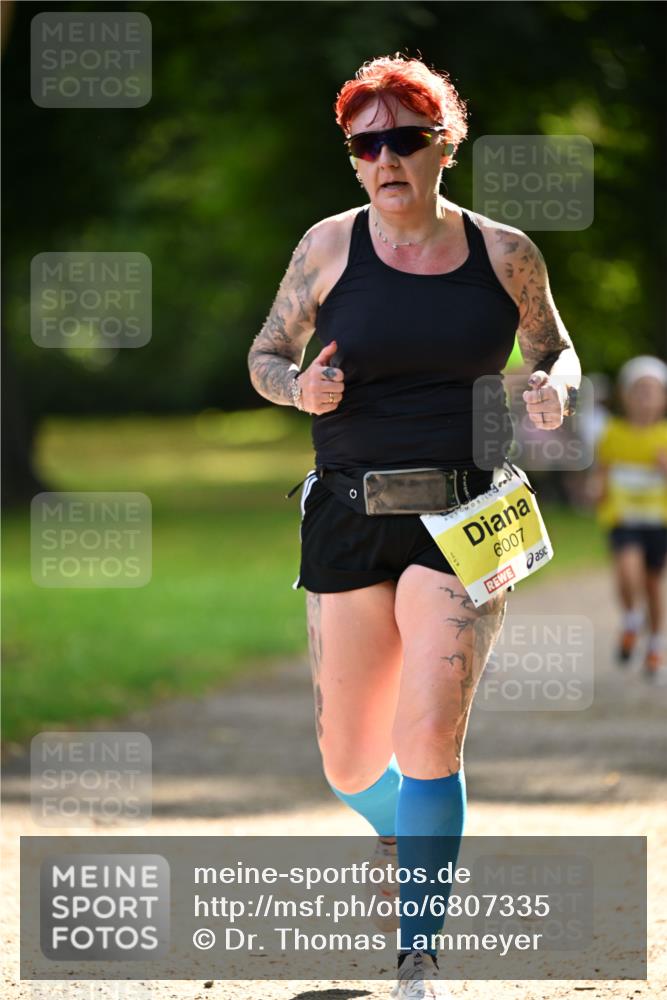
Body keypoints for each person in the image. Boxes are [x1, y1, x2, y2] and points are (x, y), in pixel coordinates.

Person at [248, 53, 581, 999]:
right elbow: (265, 355)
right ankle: (429, 841)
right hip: (349, 512)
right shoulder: (325, 249)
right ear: (352, 157)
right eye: (366, 143)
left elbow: (555, 349)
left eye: (405, 138)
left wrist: (553, 388)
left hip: (466, 513)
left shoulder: (504, 253)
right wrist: (298, 387)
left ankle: (418, 955)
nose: (385, 157)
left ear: (445, 146)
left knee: (429, 736)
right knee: (349, 760)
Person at [594, 356, 667, 679]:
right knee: (627, 571)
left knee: (652, 584)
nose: (645, 398)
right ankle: (631, 620)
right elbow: (602, 474)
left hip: (658, 521)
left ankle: (655, 646)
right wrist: (596, 490)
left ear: (663, 398)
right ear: (626, 396)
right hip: (622, 518)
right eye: (639, 391)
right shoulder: (613, 433)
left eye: (652, 391)